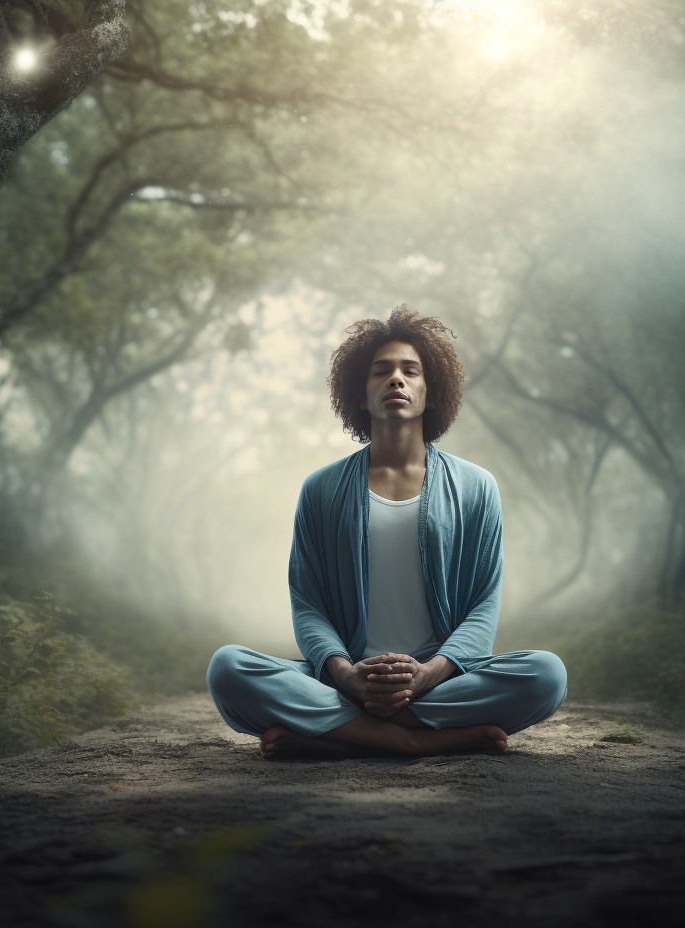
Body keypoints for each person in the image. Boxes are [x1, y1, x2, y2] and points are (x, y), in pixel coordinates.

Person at [206, 305, 568, 759]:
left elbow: (483, 606)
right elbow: (309, 604)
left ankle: (337, 734)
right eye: (382, 371)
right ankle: (411, 740)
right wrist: (347, 676)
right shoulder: (321, 489)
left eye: (410, 371)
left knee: (546, 674)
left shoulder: (477, 487)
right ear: (360, 394)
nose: (396, 379)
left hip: (439, 679)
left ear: (430, 391)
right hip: (345, 680)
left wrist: (428, 674)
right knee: (228, 668)